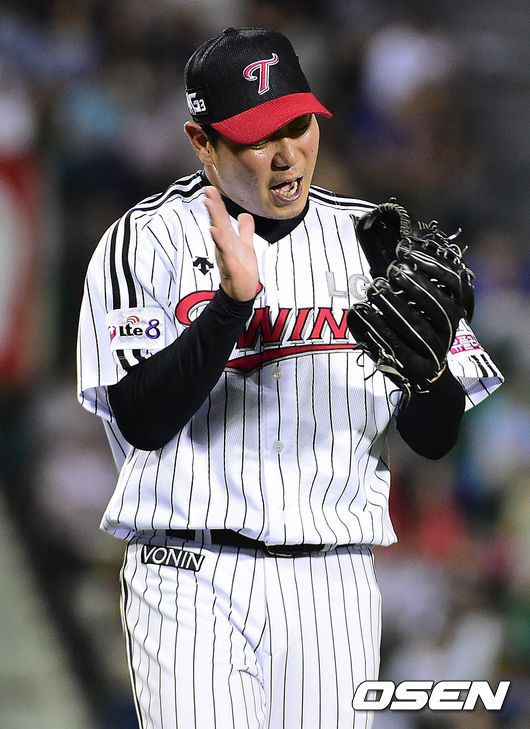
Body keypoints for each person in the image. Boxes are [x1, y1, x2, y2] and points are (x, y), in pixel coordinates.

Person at [77, 27, 503, 729]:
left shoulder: (377, 239)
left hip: (333, 582)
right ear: (202, 141)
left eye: (298, 125)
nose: (286, 154)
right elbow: (141, 419)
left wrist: (429, 376)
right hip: (189, 574)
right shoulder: (143, 240)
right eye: (257, 135)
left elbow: (435, 440)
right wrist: (230, 307)